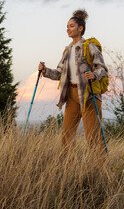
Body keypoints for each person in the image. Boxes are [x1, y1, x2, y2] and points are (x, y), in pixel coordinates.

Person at [38, 9, 108, 156]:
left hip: (89, 96)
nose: (67, 29)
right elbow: (59, 73)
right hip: (71, 95)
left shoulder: (89, 46)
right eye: (67, 26)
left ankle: (100, 170)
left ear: (80, 28)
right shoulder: (67, 51)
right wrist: (45, 71)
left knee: (93, 137)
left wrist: (94, 75)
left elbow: (102, 68)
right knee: (66, 135)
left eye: (71, 26)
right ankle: (69, 168)